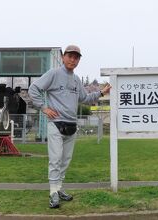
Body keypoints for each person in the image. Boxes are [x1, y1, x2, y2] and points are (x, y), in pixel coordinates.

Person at [28, 45, 111, 208]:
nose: (73, 60)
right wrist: (44, 107)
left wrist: (101, 93)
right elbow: (34, 89)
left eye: (76, 57)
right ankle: (52, 192)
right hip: (56, 124)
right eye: (70, 56)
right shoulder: (53, 74)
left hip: (72, 125)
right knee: (55, 159)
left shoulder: (76, 79)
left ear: (78, 60)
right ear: (64, 57)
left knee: (65, 160)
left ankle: (59, 189)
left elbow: (85, 98)